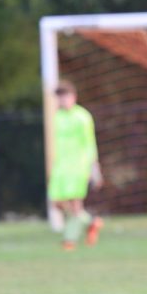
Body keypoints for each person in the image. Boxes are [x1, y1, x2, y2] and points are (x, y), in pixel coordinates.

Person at [48, 80, 104, 251]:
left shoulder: (83, 117)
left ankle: (69, 240)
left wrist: (94, 169)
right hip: (60, 166)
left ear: (74, 97)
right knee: (56, 203)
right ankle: (91, 222)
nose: (63, 101)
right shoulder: (56, 117)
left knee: (75, 203)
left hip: (78, 165)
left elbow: (90, 144)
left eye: (66, 97)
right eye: (60, 98)